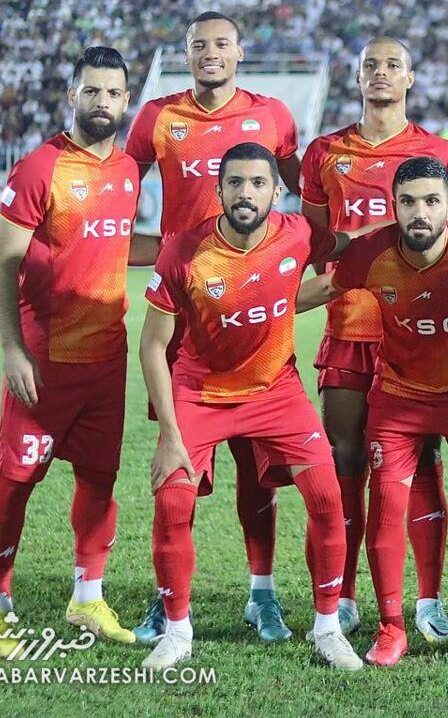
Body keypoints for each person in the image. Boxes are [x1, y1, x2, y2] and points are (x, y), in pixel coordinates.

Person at [138, 142, 373, 671]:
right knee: (172, 503)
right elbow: (152, 345)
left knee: (327, 495)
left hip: (275, 390)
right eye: (236, 183)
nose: (246, 193)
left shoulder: (298, 233)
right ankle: (177, 632)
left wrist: (402, 230)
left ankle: (328, 628)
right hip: (201, 392)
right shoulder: (184, 251)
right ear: (218, 191)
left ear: (276, 191)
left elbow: (346, 246)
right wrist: (170, 436)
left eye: (258, 183)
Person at [126, 11, 303, 644]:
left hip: (253, 313)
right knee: (180, 466)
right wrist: (153, 254)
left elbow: (303, 198)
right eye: (199, 44)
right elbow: (119, 189)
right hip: (186, 314)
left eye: (221, 43)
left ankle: (263, 593)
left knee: (257, 462)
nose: (210, 53)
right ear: (186, 53)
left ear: (239, 52)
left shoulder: (273, 116)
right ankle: (167, 599)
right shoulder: (158, 117)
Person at [0, 47, 158, 656]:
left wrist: (181, 247)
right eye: (92, 91)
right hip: (44, 364)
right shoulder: (39, 168)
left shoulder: (128, 170)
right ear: (72, 95)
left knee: (100, 481)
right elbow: (3, 265)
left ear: (126, 100)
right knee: (15, 482)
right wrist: (12, 349)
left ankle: (87, 596)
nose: (102, 102)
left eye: (113, 93)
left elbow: (114, 243)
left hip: (106, 362)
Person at [313, 157, 448, 668]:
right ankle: (391, 627)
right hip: (398, 400)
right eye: (408, 202)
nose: (419, 212)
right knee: (386, 507)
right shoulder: (371, 253)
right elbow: (322, 290)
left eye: (431, 201)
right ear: (394, 207)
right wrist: (246, 299)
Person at [300, 37, 448, 641]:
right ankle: (342, 595)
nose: (380, 73)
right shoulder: (325, 152)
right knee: (343, 461)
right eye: (370, 65)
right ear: (357, 77)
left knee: (422, 462)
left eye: (392, 65)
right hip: (350, 326)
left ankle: (428, 601)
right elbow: (317, 244)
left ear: (410, 78)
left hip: (417, 333)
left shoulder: (440, 153)